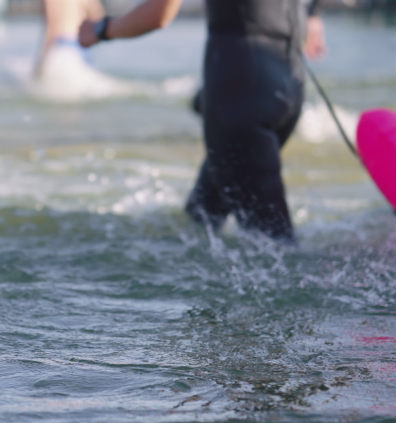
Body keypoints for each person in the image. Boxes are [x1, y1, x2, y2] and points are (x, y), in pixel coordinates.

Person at [80, 0, 328, 243]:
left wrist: (100, 29)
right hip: (288, 83)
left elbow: (158, 15)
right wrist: (312, 14)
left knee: (274, 247)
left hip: (240, 90)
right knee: (200, 221)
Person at [33, 0, 132, 101]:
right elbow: (98, 16)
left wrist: (40, 62)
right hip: (83, 46)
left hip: (62, 48)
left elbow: (52, 25)